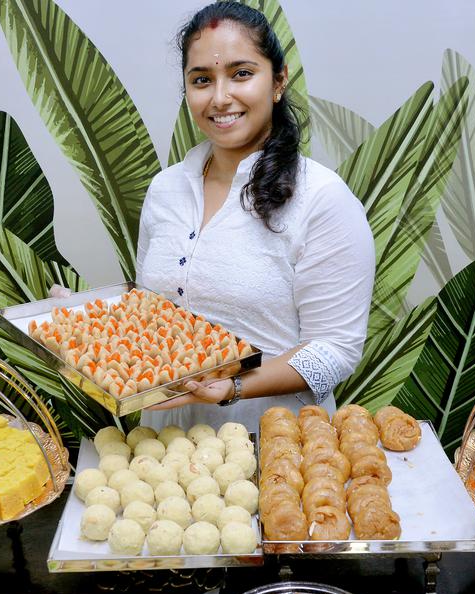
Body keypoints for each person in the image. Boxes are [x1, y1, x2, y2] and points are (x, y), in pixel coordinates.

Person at [133, 1, 375, 431]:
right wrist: (84, 324)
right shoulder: (165, 190)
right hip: (162, 447)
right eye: (202, 80)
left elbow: (335, 349)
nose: (221, 97)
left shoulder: (321, 198)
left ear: (278, 81)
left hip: (276, 444)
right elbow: (154, 315)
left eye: (241, 74)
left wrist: (232, 386)